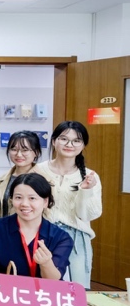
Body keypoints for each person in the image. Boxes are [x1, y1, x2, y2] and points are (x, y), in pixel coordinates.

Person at [33, 121, 102, 287]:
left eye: (76, 141)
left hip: (77, 238)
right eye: (64, 139)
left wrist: (85, 191)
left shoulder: (90, 176)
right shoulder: (38, 170)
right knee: (43, 286)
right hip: (43, 235)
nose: (69, 145)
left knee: (77, 289)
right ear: (54, 141)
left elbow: (86, 215)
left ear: (83, 145)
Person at [0, 173, 74, 280]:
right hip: (2, 289)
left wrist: (46, 263)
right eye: (18, 197)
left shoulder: (61, 237)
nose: (24, 204)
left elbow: (54, 281)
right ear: (11, 200)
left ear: (45, 202)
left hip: (42, 290)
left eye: (32, 198)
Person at [0, 131, 41, 219]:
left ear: (36, 152)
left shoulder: (44, 179)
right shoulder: (2, 180)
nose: (19, 154)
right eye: (14, 149)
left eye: (25, 150)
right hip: (4, 226)